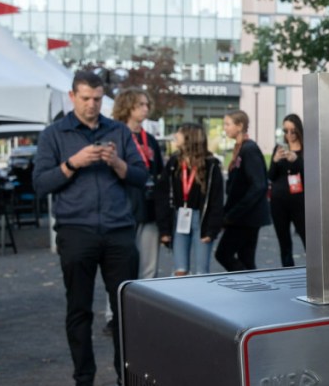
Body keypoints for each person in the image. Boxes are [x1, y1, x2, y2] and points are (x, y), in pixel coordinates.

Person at [33, 70, 148, 386]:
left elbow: (141, 177)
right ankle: (83, 381)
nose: (92, 105)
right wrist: (73, 163)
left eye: (97, 99)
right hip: (76, 231)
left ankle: (126, 375)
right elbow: (40, 184)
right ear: (72, 97)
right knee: (79, 308)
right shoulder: (55, 134)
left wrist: (117, 163)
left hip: (118, 231)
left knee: (125, 307)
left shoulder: (119, 131)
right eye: (85, 98)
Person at [157, 123, 224, 275]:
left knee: (202, 271)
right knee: (180, 270)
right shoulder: (174, 163)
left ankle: (201, 298)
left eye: (179, 133)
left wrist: (212, 230)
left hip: (202, 220)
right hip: (179, 217)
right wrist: (164, 229)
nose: (175, 136)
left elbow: (216, 199)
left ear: (189, 137)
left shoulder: (211, 165)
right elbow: (163, 193)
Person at [113, 88, 164, 279]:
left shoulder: (150, 140)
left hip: (149, 207)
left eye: (146, 104)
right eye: (140, 105)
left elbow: (159, 173)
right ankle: (116, 307)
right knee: (122, 264)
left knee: (149, 266)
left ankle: (144, 306)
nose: (145, 109)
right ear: (128, 107)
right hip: (124, 208)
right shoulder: (117, 137)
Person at [216, 109, 269, 272]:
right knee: (246, 258)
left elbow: (258, 185)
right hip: (243, 215)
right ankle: (251, 288)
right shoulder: (240, 148)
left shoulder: (249, 149)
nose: (225, 128)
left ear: (239, 126)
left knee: (223, 254)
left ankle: (252, 284)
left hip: (246, 216)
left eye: (227, 124)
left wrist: (234, 213)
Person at [268, 113, 306, 267]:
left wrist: (297, 160)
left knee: (308, 239)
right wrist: (276, 161)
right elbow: (270, 176)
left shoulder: (306, 149)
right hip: (279, 201)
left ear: (299, 130)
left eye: (292, 131)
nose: (289, 135)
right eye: (285, 131)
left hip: (300, 201)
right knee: (284, 242)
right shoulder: (279, 149)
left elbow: (311, 175)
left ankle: (315, 274)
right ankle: (288, 272)